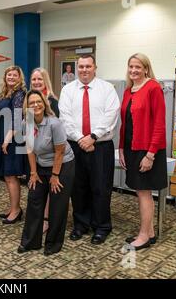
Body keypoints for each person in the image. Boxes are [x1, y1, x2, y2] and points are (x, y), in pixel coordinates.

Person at [59, 54, 120, 245]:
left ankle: (101, 226)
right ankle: (81, 224)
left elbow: (111, 114)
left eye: (88, 66)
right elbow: (65, 117)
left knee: (101, 188)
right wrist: (80, 138)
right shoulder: (68, 90)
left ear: (95, 67)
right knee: (78, 187)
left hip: (100, 146)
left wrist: (93, 136)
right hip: (75, 146)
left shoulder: (107, 89)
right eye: (81, 66)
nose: (84, 70)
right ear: (77, 68)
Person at [17, 90, 75, 256]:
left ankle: (53, 243)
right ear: (27, 106)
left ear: (44, 103)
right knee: (34, 199)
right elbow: (29, 149)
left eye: (39, 101)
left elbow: (60, 151)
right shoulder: (26, 123)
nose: (36, 105)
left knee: (57, 203)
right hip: (41, 165)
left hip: (62, 165)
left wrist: (55, 175)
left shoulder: (54, 123)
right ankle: (30, 242)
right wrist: (33, 173)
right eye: (31, 102)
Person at [119, 53, 167, 250]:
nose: (133, 70)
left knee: (144, 193)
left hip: (147, 149)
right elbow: (125, 123)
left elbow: (159, 124)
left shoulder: (153, 87)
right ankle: (150, 232)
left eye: (138, 67)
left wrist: (150, 154)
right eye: (131, 66)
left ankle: (143, 236)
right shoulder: (129, 90)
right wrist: (121, 148)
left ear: (146, 68)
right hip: (131, 148)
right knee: (141, 192)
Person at [0, 66, 26, 224]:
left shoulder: (19, 94)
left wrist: (7, 140)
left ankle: (16, 211)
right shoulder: (4, 93)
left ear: (20, 78)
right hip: (2, 136)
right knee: (8, 176)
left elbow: (17, 118)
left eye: (14, 75)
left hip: (11, 139)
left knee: (11, 176)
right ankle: (14, 207)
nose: (11, 77)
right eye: (9, 75)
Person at [30, 67, 60, 233]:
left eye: (40, 79)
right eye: (34, 80)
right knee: (37, 185)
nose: (36, 82)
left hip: (50, 151)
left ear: (45, 81)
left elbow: (56, 128)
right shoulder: (30, 100)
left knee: (49, 186)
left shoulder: (52, 101)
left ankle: (46, 219)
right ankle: (38, 216)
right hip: (35, 150)